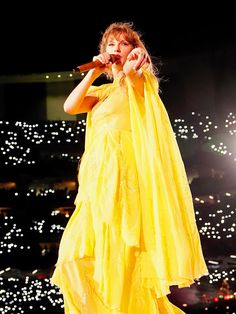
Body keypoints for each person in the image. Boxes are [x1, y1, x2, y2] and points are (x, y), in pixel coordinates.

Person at [51, 21, 209, 313]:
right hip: (96, 186)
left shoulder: (141, 86)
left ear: (133, 50)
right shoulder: (102, 93)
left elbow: (136, 77)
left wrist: (133, 66)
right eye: (111, 44)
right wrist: (95, 71)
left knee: (124, 259)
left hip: (126, 182)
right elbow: (70, 107)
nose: (117, 49)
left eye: (124, 44)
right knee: (74, 254)